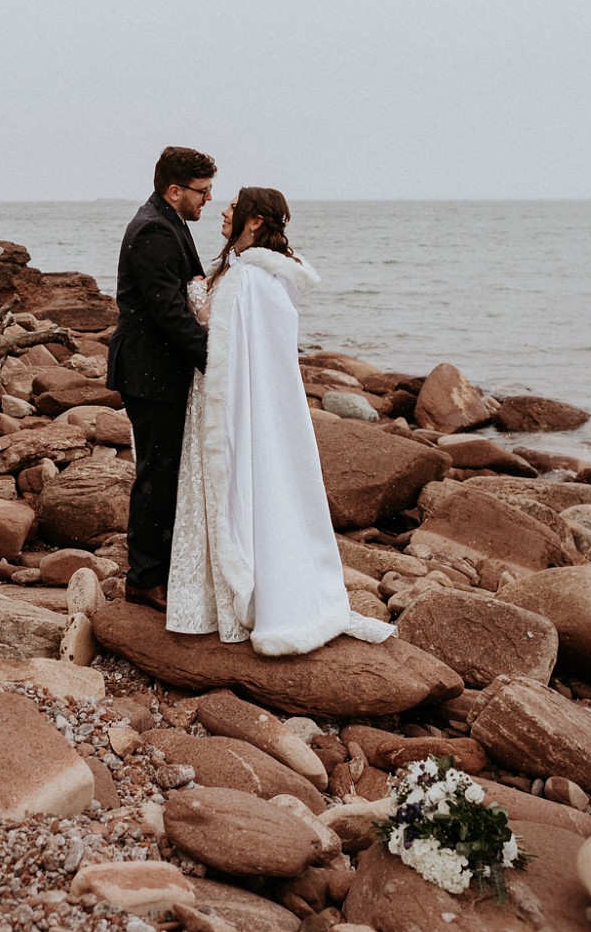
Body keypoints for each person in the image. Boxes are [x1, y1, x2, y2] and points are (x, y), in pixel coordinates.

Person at [165, 187, 396, 656]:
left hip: (233, 401)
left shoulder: (247, 277)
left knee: (239, 489)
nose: (225, 210)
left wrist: (193, 291)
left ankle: (248, 599)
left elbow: (215, 331)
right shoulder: (272, 276)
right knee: (277, 485)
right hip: (270, 402)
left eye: (233, 206)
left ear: (253, 222)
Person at [107, 146, 216, 611]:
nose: (209, 199)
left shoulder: (167, 222)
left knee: (165, 471)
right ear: (175, 190)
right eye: (203, 191)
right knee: (156, 474)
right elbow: (169, 314)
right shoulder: (154, 230)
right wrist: (217, 358)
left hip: (160, 371)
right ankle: (144, 578)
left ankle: (159, 567)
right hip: (150, 373)